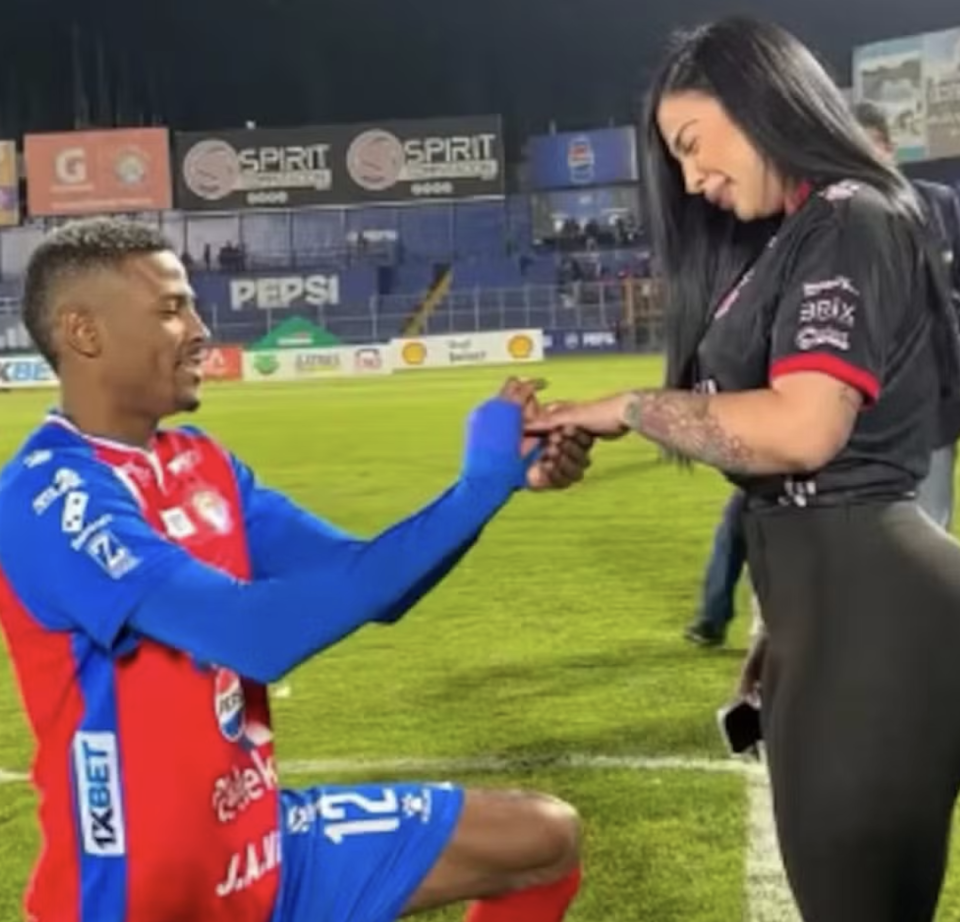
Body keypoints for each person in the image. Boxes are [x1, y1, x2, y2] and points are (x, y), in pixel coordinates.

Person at [0, 218, 592, 922]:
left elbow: (371, 583)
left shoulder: (203, 462)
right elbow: (255, 636)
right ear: (84, 332)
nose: (200, 330)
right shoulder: (48, 496)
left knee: (542, 840)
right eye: (171, 309)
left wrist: (488, 489)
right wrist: (476, 490)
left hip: (264, 854)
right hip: (138, 899)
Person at [527, 16, 960, 922]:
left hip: (878, 618)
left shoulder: (851, 217)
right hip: (830, 617)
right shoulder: (793, 237)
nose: (690, 179)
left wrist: (632, 407)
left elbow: (803, 432)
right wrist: (785, 626)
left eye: (691, 144)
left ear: (760, 101)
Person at [853, 100, 960, 531]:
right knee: (876, 528)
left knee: (931, 524)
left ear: (888, 149)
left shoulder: (939, 204)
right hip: (870, 406)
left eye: (868, 149)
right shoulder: (834, 222)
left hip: (936, 398)